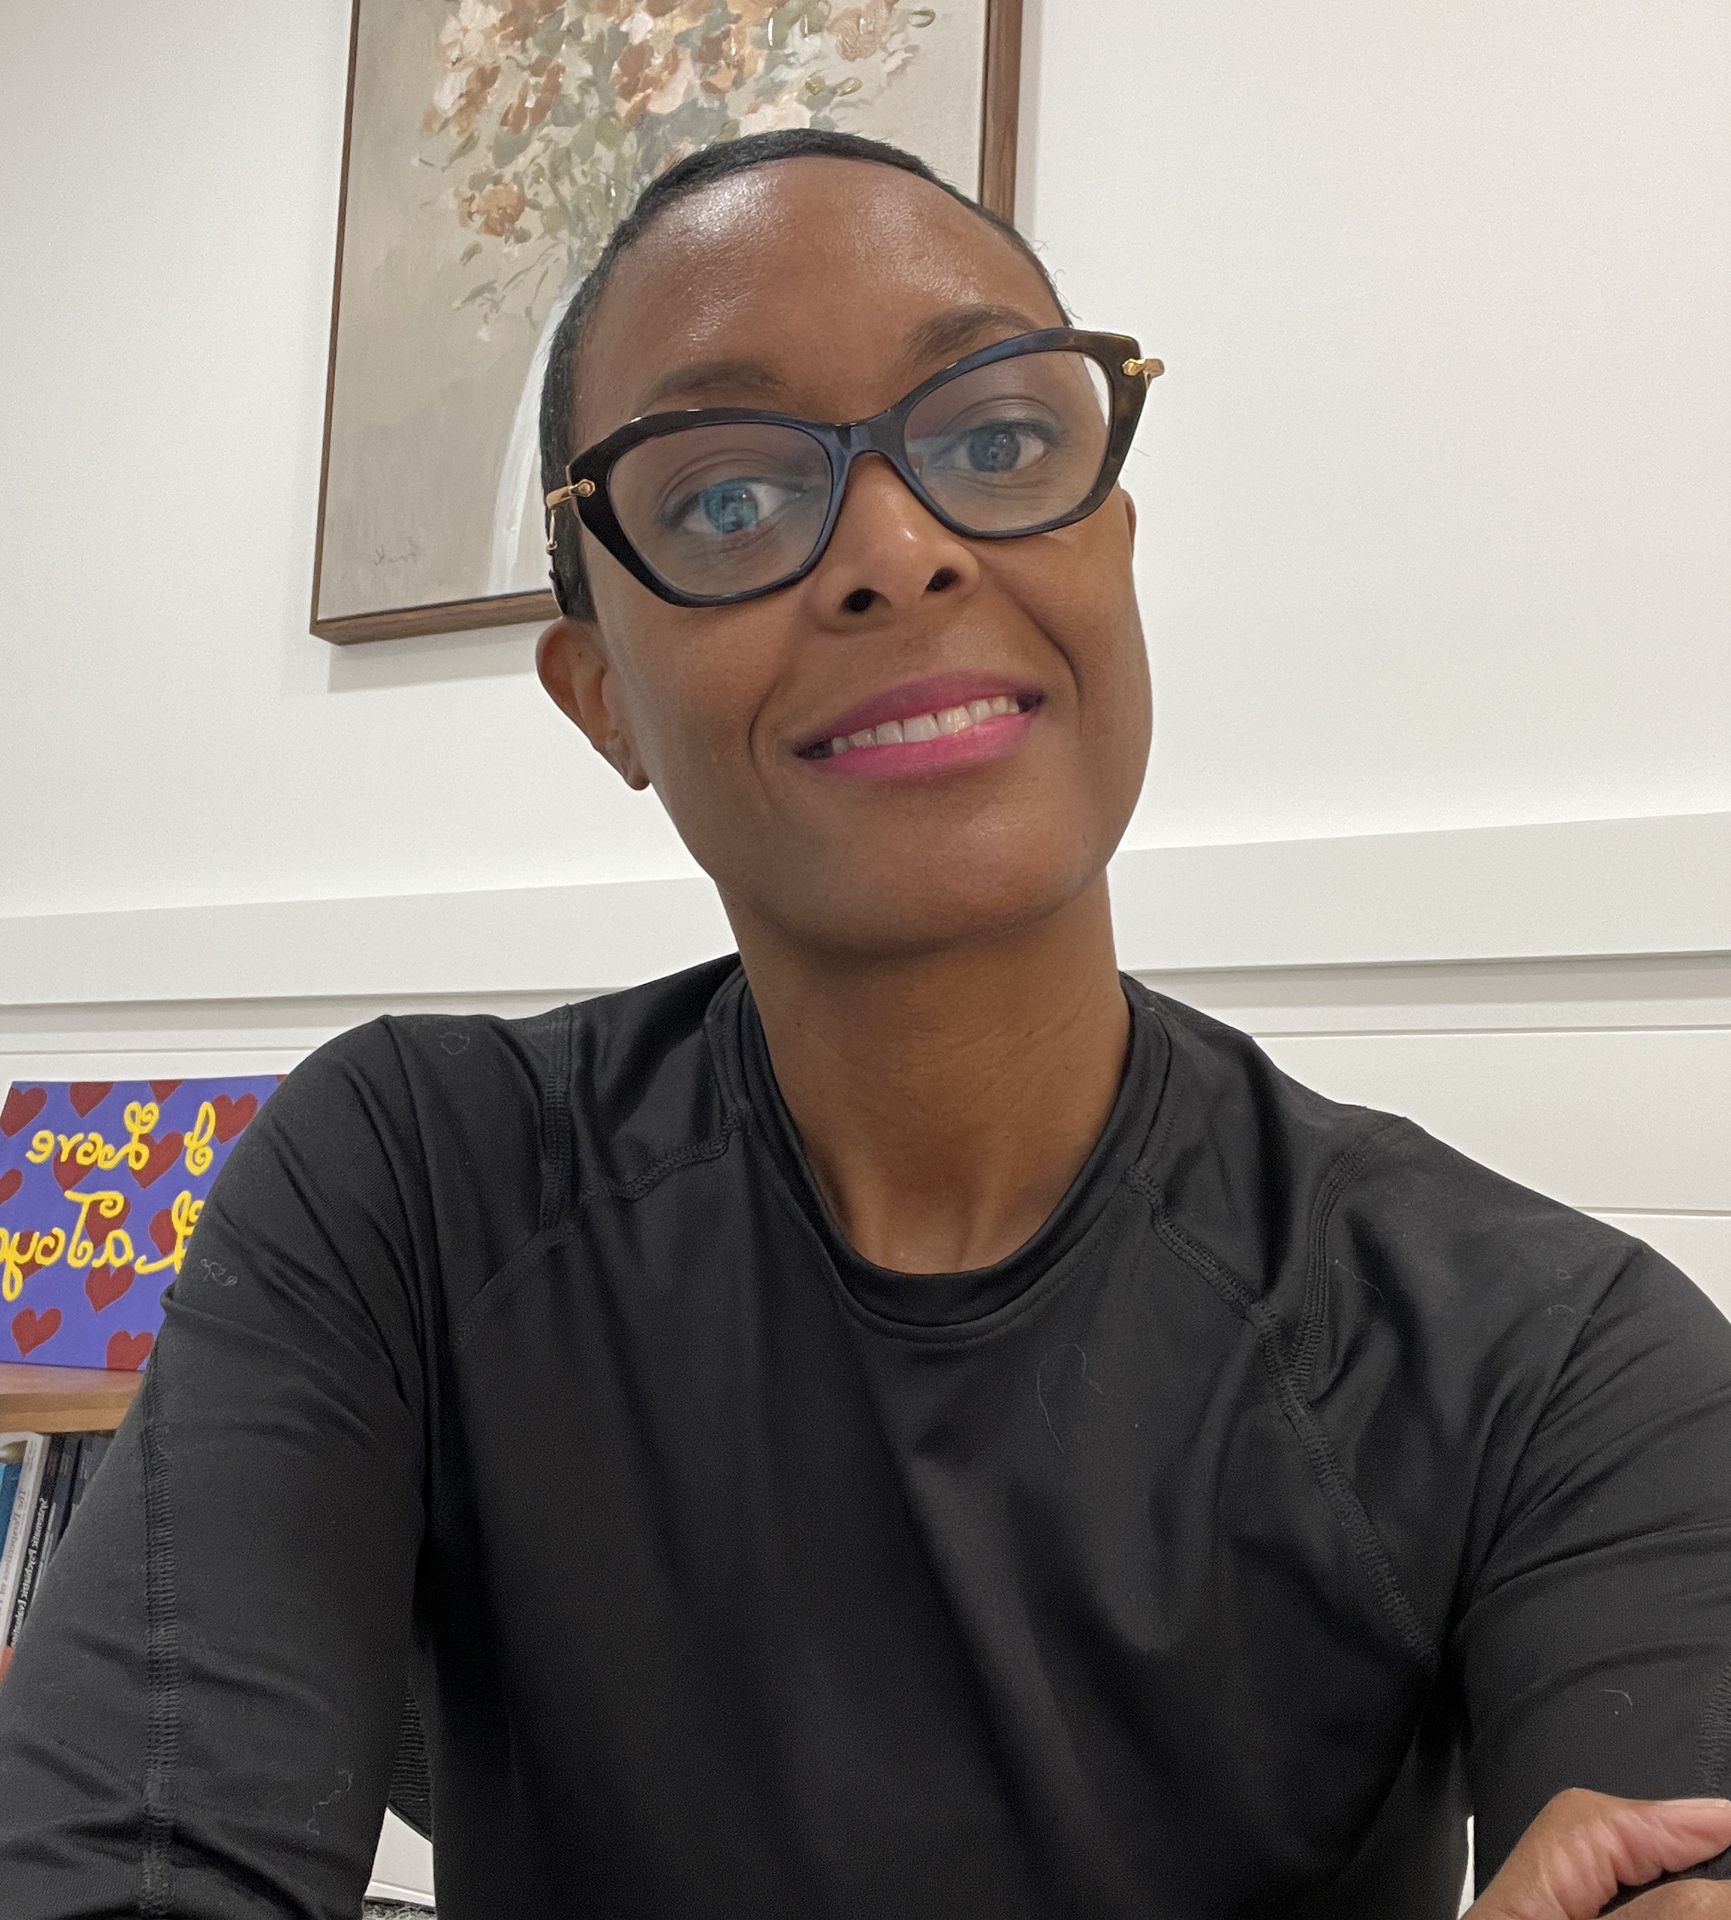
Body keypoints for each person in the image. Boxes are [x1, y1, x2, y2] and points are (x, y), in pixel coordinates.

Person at [2, 128, 1729, 1920]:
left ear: (1116, 546)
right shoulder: (412, 1194)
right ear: (603, 699)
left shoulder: (1549, 1355)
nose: (899, 553)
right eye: (726, 500)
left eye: (996, 442)